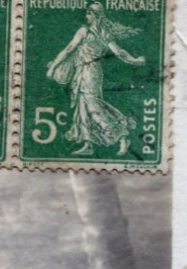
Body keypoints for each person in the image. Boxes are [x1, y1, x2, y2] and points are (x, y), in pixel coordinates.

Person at [46, 2, 145, 158]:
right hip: (90, 72)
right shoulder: (103, 32)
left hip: (88, 72)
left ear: (96, 15)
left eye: (89, 13)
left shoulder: (84, 31)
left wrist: (52, 68)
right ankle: (88, 144)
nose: (86, 16)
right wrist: (134, 60)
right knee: (83, 106)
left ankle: (121, 135)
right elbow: (119, 52)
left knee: (92, 106)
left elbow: (68, 50)